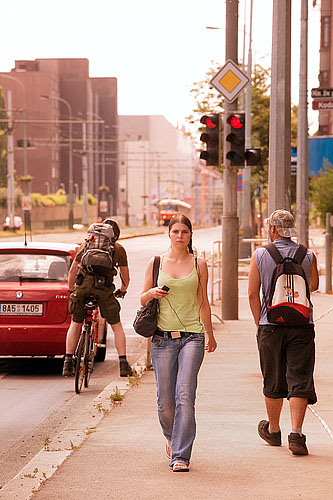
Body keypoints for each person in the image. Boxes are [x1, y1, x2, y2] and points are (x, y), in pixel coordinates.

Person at [140, 214, 217, 472]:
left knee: (185, 395)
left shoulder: (199, 263)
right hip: (162, 339)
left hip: (193, 337)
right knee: (165, 400)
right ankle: (171, 437)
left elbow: (202, 300)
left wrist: (210, 332)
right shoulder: (157, 262)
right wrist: (151, 293)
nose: (180, 236)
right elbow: (142, 299)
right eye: (176, 231)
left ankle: (181, 455)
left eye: (185, 231)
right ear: (169, 234)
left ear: (190, 235)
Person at [248, 209, 319, 456]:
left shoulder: (260, 255)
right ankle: (296, 434)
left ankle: (274, 430)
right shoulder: (307, 254)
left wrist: (260, 323)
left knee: (273, 377)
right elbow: (313, 286)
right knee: (299, 378)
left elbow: (251, 293)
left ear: (272, 229)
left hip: (271, 326)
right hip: (301, 326)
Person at [62, 219, 133, 378]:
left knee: (76, 323)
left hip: (83, 287)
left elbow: (73, 270)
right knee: (116, 326)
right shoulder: (118, 248)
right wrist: (122, 290)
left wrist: (71, 290)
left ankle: (67, 362)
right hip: (104, 289)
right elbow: (126, 278)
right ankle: (123, 364)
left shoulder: (87, 243)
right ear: (115, 235)